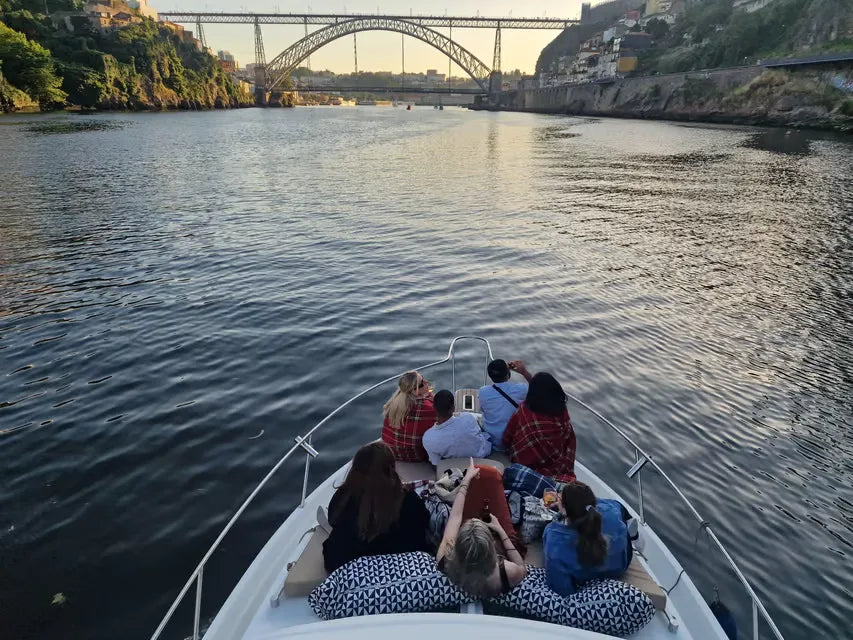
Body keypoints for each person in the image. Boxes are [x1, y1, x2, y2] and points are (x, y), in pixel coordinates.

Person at [323, 442, 431, 573]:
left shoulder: (343, 495)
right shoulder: (407, 498)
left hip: (346, 567)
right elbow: (424, 522)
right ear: (390, 468)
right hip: (399, 569)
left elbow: (332, 520)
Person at [436, 458, 528, 598]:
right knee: (489, 474)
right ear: (492, 548)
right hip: (500, 551)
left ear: (458, 545)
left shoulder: (444, 560)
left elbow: (455, 517)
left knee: (482, 476)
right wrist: (500, 530)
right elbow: (522, 568)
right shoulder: (508, 571)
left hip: (465, 567)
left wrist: (466, 480)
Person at [542, 481, 632, 597]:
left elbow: (561, 589)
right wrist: (573, 502)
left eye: (559, 498)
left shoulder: (555, 537)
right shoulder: (610, 509)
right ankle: (632, 536)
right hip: (621, 566)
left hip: (586, 578)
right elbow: (618, 507)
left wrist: (558, 516)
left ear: (564, 509)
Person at [502, 372, 576, 482]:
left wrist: (505, 444)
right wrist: (525, 372)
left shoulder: (526, 411)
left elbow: (509, 434)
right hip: (557, 463)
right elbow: (569, 439)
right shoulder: (562, 411)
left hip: (527, 462)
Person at [422, 390, 492, 465]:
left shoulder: (428, 437)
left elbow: (436, 463)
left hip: (454, 467)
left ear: (434, 408)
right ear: (453, 408)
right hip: (481, 457)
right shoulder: (468, 418)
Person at [478, 359, 532, 451]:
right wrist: (524, 372)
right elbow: (538, 386)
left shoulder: (483, 392)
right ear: (508, 374)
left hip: (492, 441)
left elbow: (483, 409)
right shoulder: (521, 389)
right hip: (513, 441)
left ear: (490, 376)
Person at [381, 371, 436, 462]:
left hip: (391, 452)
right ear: (414, 390)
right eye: (422, 384)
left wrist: (425, 393)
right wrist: (431, 397)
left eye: (423, 379)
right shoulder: (427, 408)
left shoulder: (393, 402)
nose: (426, 383)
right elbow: (441, 421)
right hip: (415, 455)